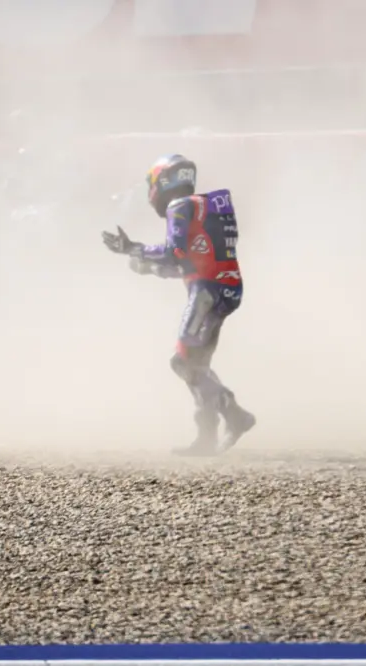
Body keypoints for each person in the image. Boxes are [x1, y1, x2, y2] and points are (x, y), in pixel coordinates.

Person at [102, 153, 256, 456]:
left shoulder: (180, 206)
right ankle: (207, 438)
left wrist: (134, 248)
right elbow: (188, 262)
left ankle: (236, 415)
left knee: (182, 362)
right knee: (198, 366)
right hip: (225, 288)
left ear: (163, 181)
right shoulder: (204, 207)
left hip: (207, 292)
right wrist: (148, 266)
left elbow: (174, 253)